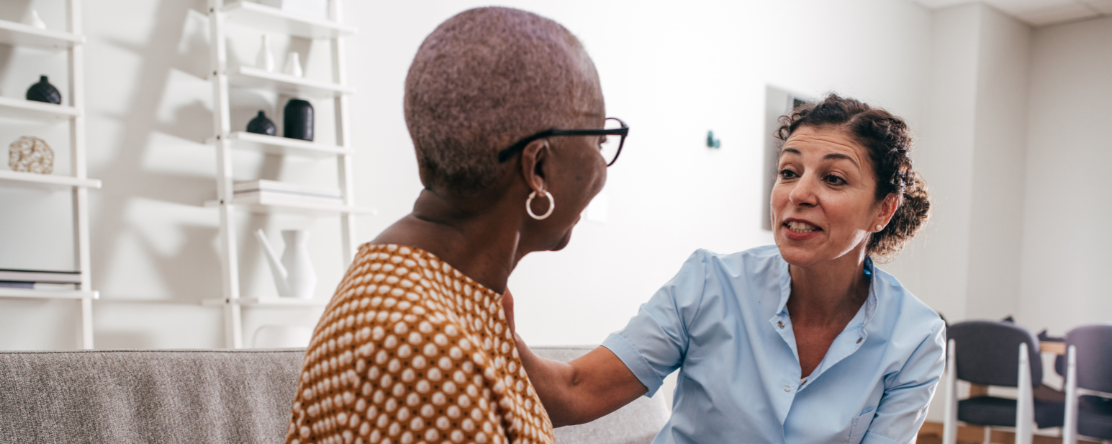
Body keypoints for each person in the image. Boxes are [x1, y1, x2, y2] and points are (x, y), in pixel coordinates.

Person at [283, 7, 627, 444]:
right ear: (537, 167)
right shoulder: (422, 349)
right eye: (599, 141)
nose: (602, 166)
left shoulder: (450, 298)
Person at [515, 94, 944, 444]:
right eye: (789, 171)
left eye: (834, 179)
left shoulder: (916, 337)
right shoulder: (707, 284)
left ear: (883, 211)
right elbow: (573, 391)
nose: (799, 193)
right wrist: (486, 296)